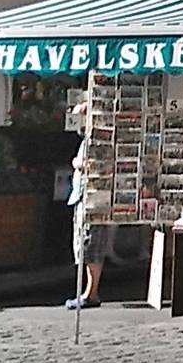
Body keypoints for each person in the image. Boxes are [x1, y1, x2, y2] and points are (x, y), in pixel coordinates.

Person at [63, 92, 110, 310]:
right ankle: (89, 290)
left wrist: (77, 163)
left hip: (92, 194)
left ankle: (92, 291)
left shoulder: (98, 139)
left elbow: (94, 164)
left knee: (91, 243)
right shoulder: (86, 138)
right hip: (81, 194)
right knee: (83, 243)